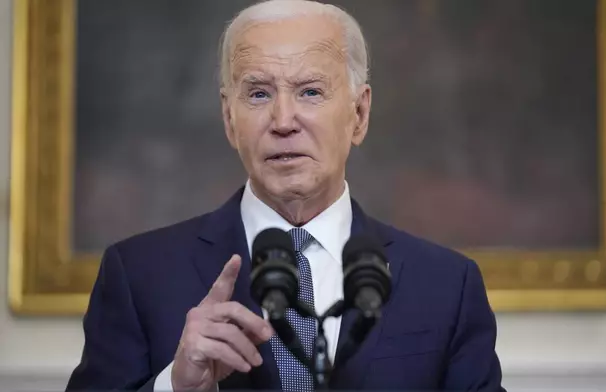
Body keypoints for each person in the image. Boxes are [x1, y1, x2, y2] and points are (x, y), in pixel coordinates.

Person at [66, 0, 505, 390]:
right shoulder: (139, 275)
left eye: (310, 91)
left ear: (359, 114)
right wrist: (173, 387)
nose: (283, 120)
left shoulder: (446, 285)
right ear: (228, 118)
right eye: (258, 93)